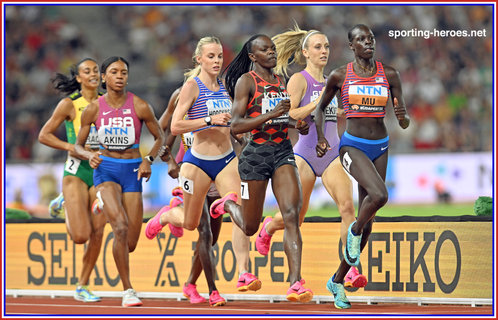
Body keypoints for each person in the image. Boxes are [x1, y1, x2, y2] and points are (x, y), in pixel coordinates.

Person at [143, 36, 262, 297]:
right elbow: (175, 126)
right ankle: (165, 216)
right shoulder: (191, 86)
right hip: (196, 162)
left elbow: (232, 121)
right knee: (189, 223)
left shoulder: (227, 86)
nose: (217, 61)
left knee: (238, 212)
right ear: (199, 59)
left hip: (226, 160)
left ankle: (244, 273)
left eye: (219, 56)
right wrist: (208, 119)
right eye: (211, 56)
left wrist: (238, 131)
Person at [254, 25, 367, 289]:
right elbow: (289, 114)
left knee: (348, 208)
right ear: (305, 52)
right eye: (318, 47)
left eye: (326, 46)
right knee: (296, 218)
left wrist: (343, 112)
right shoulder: (299, 80)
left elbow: (331, 115)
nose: (324, 51)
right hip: (304, 153)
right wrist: (317, 104)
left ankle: (350, 269)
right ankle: (269, 227)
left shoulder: (333, 81)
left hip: (331, 153)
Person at [315, 24, 410, 309]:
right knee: (380, 196)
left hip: (380, 145)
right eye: (360, 39)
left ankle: (336, 281)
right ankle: (353, 232)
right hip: (352, 145)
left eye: (370, 38)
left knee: (369, 221)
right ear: (351, 46)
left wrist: (404, 117)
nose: (367, 42)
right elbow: (321, 108)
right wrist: (321, 136)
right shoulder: (340, 75)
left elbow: (402, 117)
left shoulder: (389, 74)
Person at [221, 34, 313, 302]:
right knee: (249, 227)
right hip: (256, 157)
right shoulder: (246, 82)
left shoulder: (281, 81)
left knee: (292, 215)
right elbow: (236, 126)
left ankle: (295, 282)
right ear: (253, 56)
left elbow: (281, 119)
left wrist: (297, 124)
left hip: (282, 151)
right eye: (265, 50)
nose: (272, 53)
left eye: (272, 49)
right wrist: (273, 115)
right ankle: (228, 204)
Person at [74, 56, 165, 307]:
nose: (120, 76)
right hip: (106, 171)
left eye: (123, 72)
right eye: (114, 72)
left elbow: (161, 137)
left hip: (132, 171)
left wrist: (148, 159)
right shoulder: (93, 109)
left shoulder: (140, 105)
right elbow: (78, 146)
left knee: (130, 243)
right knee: (121, 228)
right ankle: (128, 290)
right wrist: (89, 155)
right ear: (104, 77)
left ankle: (103, 204)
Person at [38, 58, 106, 302]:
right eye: (86, 71)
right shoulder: (69, 104)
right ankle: (66, 202)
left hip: (101, 172)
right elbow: (44, 135)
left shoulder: (109, 102)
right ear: (78, 78)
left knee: (98, 232)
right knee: (80, 236)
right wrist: (73, 147)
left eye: (96, 70)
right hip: (77, 171)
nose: (93, 74)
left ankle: (82, 285)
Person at [152, 86, 226, 306]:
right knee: (204, 231)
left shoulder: (219, 95)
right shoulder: (181, 94)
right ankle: (213, 291)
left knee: (212, 236)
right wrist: (169, 161)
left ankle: (190, 284)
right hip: (190, 167)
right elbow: (163, 127)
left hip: (217, 167)